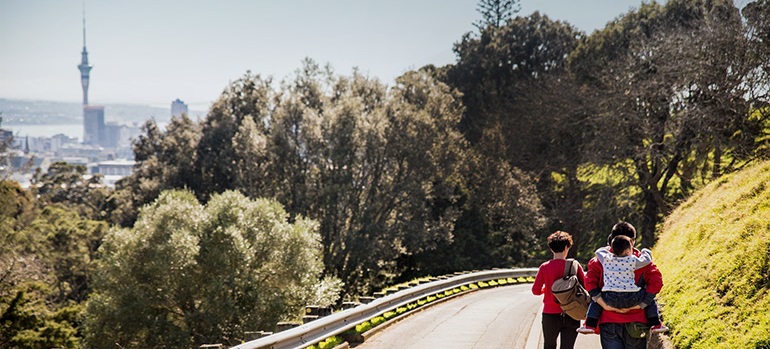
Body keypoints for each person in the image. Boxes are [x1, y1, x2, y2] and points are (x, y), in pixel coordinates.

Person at [584, 222, 664, 349]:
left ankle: (588, 324)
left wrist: (605, 305)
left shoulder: (599, 260)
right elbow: (656, 282)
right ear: (632, 241)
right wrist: (641, 304)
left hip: (608, 320)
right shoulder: (640, 261)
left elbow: (589, 283)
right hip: (637, 321)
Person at [532, 231, 586, 349]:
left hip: (550, 315)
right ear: (567, 247)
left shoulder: (544, 267)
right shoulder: (574, 265)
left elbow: (535, 291)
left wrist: (546, 289)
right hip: (572, 312)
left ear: (551, 249)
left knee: (549, 346)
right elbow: (585, 287)